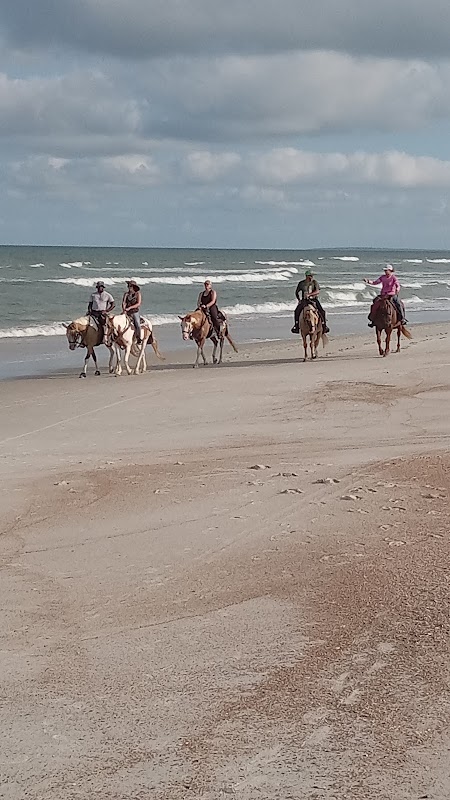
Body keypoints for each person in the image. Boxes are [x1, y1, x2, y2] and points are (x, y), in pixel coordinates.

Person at [291, 269, 329, 334]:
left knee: (322, 311)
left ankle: (324, 325)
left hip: (313, 299)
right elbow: (297, 292)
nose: (311, 277)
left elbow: (317, 291)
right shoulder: (301, 283)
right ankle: (296, 326)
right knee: (296, 311)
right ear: (306, 276)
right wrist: (299, 300)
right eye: (310, 276)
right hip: (304, 300)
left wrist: (310, 294)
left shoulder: (314, 282)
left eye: (312, 276)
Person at [122, 279, 142, 345]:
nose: (129, 287)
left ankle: (138, 338)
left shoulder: (137, 294)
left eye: (130, 286)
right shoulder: (126, 294)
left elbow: (138, 303)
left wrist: (130, 307)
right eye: (128, 286)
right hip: (127, 312)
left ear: (133, 287)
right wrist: (124, 309)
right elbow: (124, 302)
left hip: (134, 312)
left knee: (137, 324)